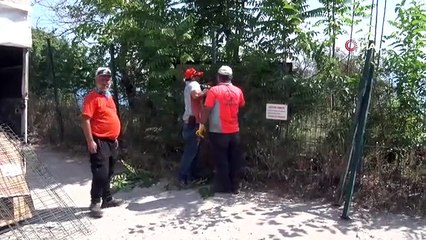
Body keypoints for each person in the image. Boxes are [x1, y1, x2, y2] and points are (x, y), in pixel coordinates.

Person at [81, 67, 123, 218]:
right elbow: (85, 119)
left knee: (110, 170)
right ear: (96, 79)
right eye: (102, 78)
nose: (105, 81)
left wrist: (115, 137)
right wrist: (90, 141)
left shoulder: (108, 97)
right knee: (101, 172)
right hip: (98, 140)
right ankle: (95, 202)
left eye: (107, 78)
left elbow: (110, 117)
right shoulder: (91, 97)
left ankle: (107, 198)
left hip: (111, 141)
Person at [201, 65, 245, 194]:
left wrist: (202, 123)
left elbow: (207, 109)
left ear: (218, 77)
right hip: (234, 131)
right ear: (231, 77)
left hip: (218, 131)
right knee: (234, 159)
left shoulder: (213, 91)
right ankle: (235, 186)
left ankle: (223, 187)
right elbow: (241, 104)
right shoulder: (238, 91)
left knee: (221, 160)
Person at [178, 67, 207, 186]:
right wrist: (206, 91)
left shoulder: (187, 86)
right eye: (197, 76)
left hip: (192, 122)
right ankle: (183, 177)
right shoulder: (194, 85)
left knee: (194, 151)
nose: (199, 78)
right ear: (193, 77)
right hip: (193, 123)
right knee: (191, 151)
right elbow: (196, 96)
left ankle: (192, 176)